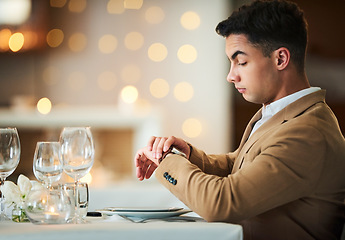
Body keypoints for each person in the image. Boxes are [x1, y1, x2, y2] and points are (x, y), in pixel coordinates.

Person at [134, 0, 345, 239]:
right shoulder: (280, 113)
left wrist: (165, 160)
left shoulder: (308, 132)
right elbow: (242, 165)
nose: (231, 76)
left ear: (280, 59)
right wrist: (191, 157)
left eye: (241, 61)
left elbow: (221, 203)